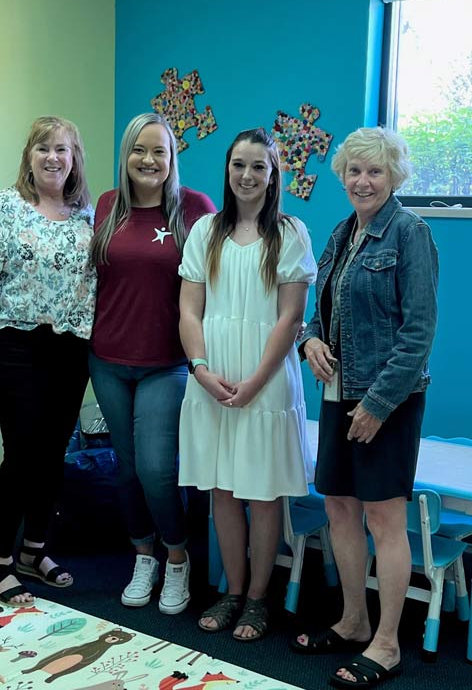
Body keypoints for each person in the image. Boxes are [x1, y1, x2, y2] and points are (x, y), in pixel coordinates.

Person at [291, 127, 439, 688]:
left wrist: (378, 403)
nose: (363, 180)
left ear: (394, 176)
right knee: (340, 510)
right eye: (354, 170)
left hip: (389, 401)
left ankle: (387, 643)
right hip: (338, 397)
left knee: (384, 518)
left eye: (375, 171)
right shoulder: (342, 233)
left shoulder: (411, 234)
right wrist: (310, 339)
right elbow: (321, 309)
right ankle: (353, 621)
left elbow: (418, 333)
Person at [0, 116, 96, 607]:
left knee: (53, 454)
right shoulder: (5, 208)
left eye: (63, 149)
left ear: (75, 159)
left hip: (69, 350)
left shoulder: (86, 215)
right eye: (43, 149)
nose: (53, 157)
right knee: (23, 453)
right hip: (14, 346)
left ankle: (35, 550)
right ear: (29, 156)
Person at [178, 127, 317, 641]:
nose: (248, 175)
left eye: (259, 166)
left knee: (261, 494)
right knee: (222, 489)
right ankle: (232, 591)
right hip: (212, 376)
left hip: (267, 377)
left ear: (273, 173)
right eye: (239, 164)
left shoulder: (290, 233)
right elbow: (189, 310)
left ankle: (259, 599)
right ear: (227, 169)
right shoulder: (205, 232)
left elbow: (290, 318)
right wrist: (200, 369)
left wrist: (258, 380)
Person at [89, 112, 216, 615]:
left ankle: (178, 557)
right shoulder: (106, 206)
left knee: (157, 469)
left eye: (159, 151)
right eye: (139, 150)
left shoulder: (195, 209)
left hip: (168, 363)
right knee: (124, 469)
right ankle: (144, 555)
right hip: (107, 359)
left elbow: (217, 286)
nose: (148, 160)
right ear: (126, 156)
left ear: (172, 158)